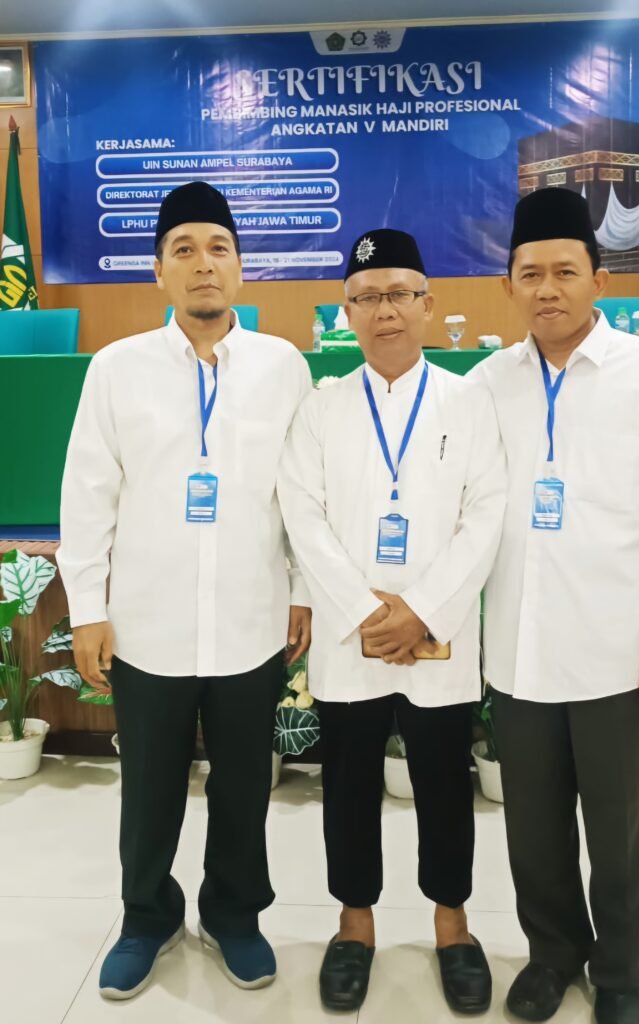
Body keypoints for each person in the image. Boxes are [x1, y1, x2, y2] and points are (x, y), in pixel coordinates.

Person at [57, 181, 312, 1000]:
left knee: (243, 784)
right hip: (148, 624)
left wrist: (303, 590)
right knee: (150, 787)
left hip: (250, 620)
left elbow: (304, 494)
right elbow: (86, 496)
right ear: (159, 271)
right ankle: (147, 916)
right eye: (184, 250)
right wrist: (89, 611)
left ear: (240, 267)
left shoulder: (283, 367)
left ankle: (234, 914)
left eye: (219, 249)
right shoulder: (117, 369)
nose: (204, 264)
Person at [470, 187, 639, 1024]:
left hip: (616, 646)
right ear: (509, 286)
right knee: (532, 823)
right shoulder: (487, 383)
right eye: (531, 274)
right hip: (519, 646)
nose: (548, 288)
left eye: (565, 271)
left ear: (600, 279)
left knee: (620, 825)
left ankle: (621, 972)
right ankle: (553, 953)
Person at [277, 228, 506, 1014]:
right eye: (367, 298)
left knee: (444, 785)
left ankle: (453, 926)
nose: (385, 311)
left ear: (427, 304)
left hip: (438, 639)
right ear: (346, 312)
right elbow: (302, 515)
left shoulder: (468, 403)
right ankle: (354, 926)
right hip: (355, 641)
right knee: (347, 785)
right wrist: (370, 611)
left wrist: (423, 612)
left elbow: (487, 514)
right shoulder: (321, 407)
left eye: (399, 294)